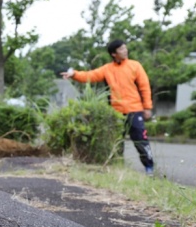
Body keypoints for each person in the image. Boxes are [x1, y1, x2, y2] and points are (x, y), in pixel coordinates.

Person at [60, 39, 154, 175]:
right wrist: (74, 74)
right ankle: (118, 168)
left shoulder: (135, 66)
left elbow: (144, 86)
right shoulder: (107, 69)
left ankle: (149, 168)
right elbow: (89, 76)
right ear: (113, 54)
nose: (125, 50)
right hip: (115, 112)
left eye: (125, 48)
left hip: (135, 110)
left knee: (141, 140)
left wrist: (147, 107)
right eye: (121, 49)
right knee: (116, 142)